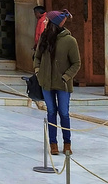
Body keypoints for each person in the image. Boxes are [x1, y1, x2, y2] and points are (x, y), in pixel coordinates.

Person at [34, 12, 80, 154]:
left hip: (63, 84)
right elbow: (37, 57)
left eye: (47, 20)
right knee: (51, 112)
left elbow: (76, 63)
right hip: (46, 82)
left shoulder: (70, 41)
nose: (44, 22)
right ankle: (53, 143)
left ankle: (67, 143)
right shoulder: (44, 38)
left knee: (64, 113)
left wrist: (66, 77)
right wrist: (38, 72)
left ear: (54, 23)